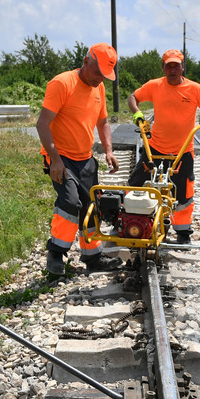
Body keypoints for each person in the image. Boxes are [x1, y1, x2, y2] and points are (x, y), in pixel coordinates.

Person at [37, 42, 123, 278]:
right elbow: (42, 124)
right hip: (61, 156)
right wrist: (55, 160)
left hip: (85, 158)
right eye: (97, 72)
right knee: (70, 202)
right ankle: (56, 253)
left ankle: (93, 257)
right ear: (86, 62)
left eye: (105, 75)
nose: (99, 79)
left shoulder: (99, 87)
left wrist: (109, 151)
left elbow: (103, 122)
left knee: (91, 207)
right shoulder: (62, 83)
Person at [127, 49, 200, 245]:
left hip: (182, 151)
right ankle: (130, 222)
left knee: (184, 193)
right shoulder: (155, 86)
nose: (172, 70)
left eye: (176, 66)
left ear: (182, 67)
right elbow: (132, 97)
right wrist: (137, 113)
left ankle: (183, 232)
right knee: (136, 183)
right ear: (163, 67)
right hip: (155, 148)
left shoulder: (194, 89)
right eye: (168, 66)